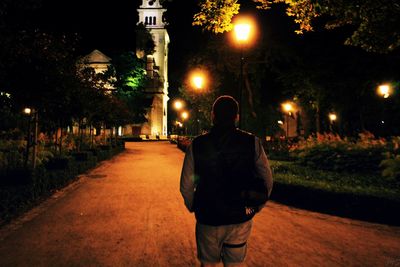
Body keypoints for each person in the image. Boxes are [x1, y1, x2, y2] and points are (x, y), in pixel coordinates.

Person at [180, 95, 273, 267]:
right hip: (240, 217)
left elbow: (186, 185)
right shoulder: (252, 142)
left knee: (207, 263)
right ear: (236, 117)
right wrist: (256, 206)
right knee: (234, 264)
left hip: (208, 217)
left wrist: (194, 205)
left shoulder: (197, 144)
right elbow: (267, 180)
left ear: (212, 115)